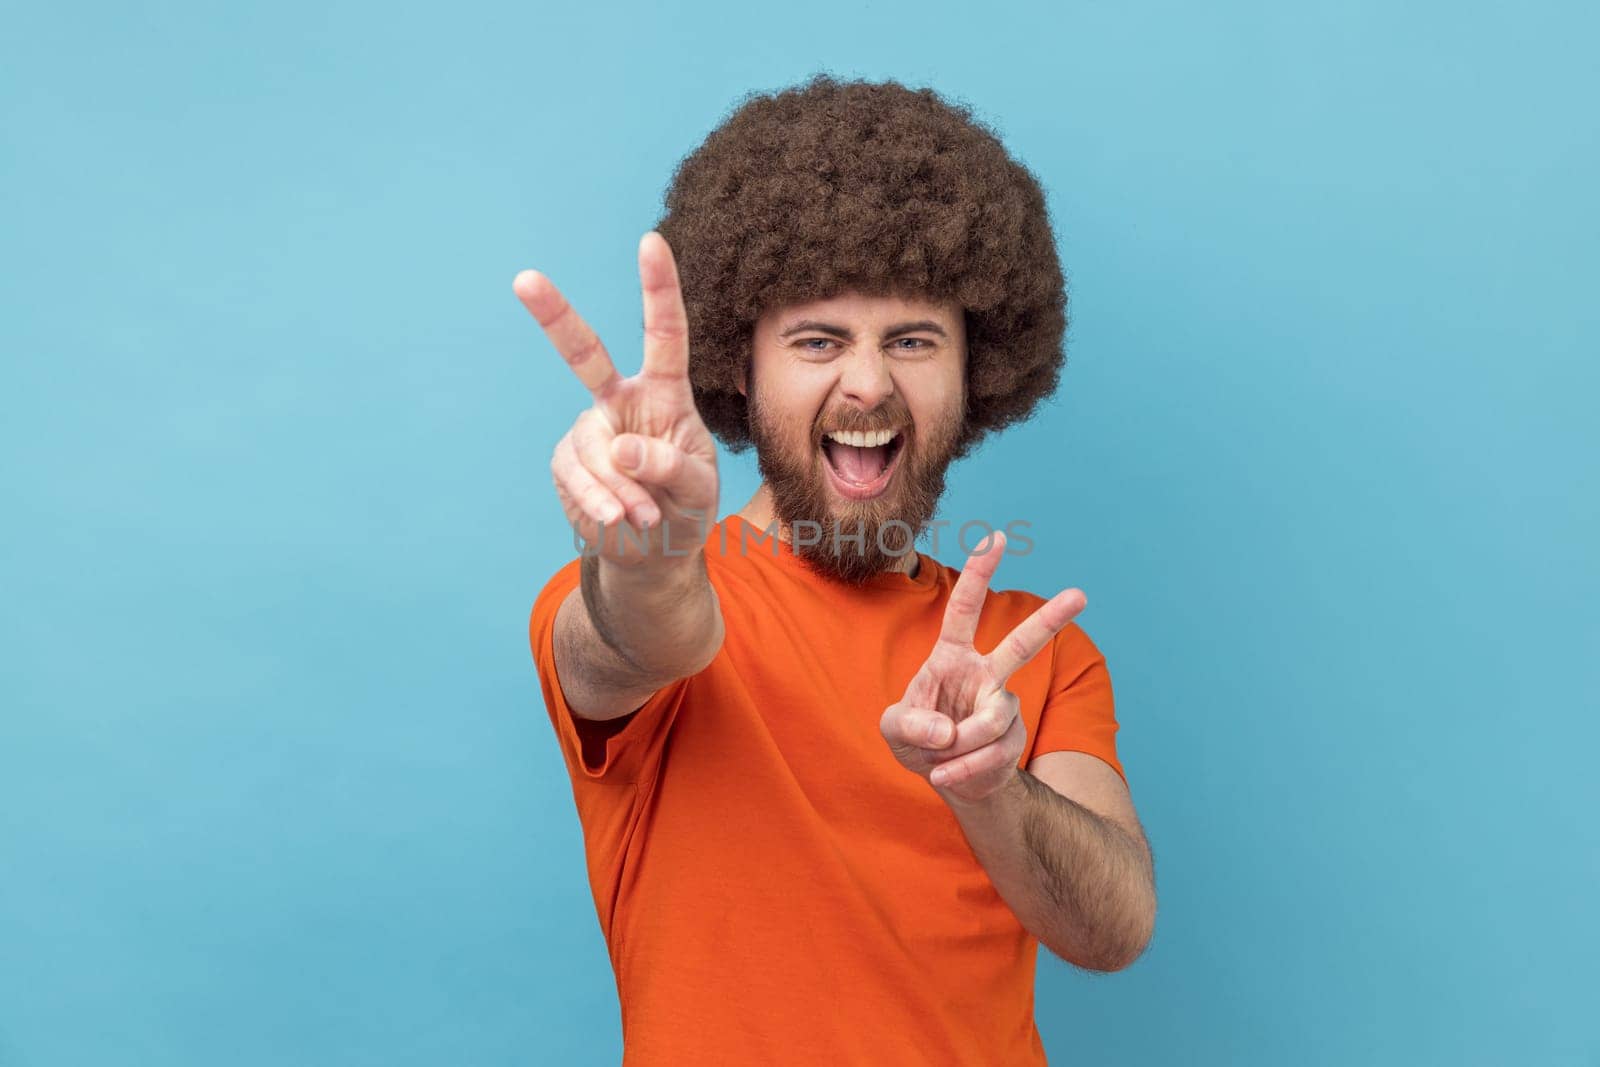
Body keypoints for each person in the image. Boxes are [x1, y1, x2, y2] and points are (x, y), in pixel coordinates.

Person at [515, 75, 1156, 1066]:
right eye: (817, 340)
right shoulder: (635, 591)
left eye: (911, 339)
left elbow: (1111, 931)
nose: (866, 382)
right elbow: (637, 638)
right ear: (740, 365)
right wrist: (645, 564)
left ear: (972, 369)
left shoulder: (1036, 645)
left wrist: (988, 786)